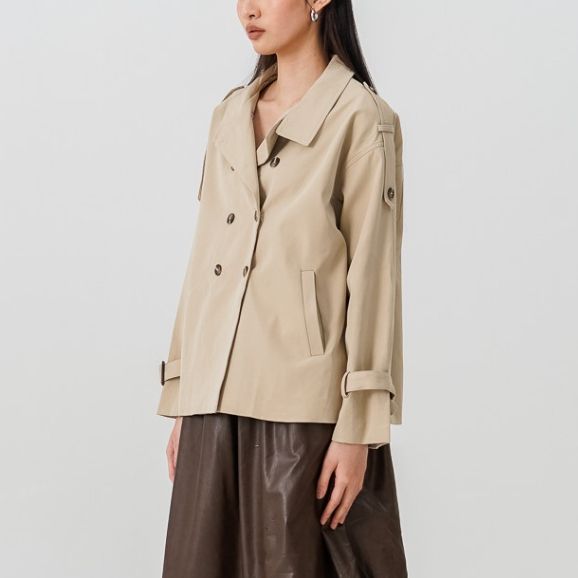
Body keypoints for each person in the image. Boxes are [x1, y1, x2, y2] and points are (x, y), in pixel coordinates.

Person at [157, 1, 408, 576]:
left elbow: (374, 276)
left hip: (302, 409)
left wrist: (358, 429)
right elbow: (206, 259)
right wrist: (185, 398)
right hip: (212, 401)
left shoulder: (361, 119)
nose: (247, 9)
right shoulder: (229, 115)